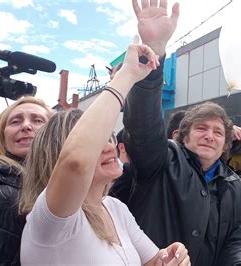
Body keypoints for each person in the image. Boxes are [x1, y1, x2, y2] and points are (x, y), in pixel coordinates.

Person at [18, 41, 190, 265]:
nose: (110, 147)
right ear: (57, 155)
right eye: (97, 142)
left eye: (109, 137)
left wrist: (171, 258)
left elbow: (153, 261)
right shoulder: (50, 218)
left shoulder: (114, 207)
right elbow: (76, 162)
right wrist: (126, 75)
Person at [121, 0, 241, 264]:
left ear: (225, 143)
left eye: (217, 132)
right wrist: (155, 51)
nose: (209, 136)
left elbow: (235, 239)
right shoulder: (163, 160)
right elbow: (143, 127)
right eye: (201, 128)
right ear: (183, 135)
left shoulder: (235, 186)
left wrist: (240, 262)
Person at [0, 96, 53, 264]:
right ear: (2, 135)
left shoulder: (70, 182)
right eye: (15, 122)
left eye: (38, 120)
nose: (26, 126)